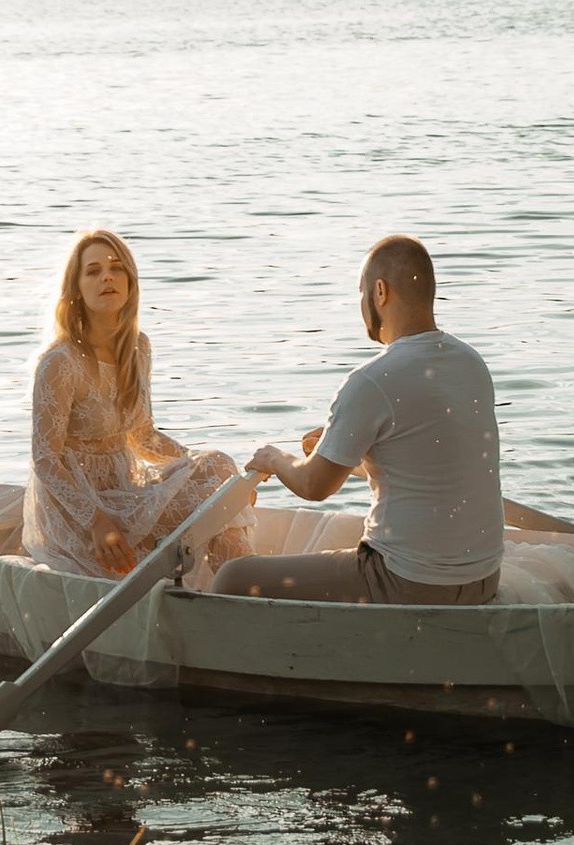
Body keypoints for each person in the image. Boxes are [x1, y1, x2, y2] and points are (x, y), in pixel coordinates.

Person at [211, 234, 501, 604]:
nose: (361, 305)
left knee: (233, 577)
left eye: (361, 292)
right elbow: (426, 457)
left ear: (380, 292)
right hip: (483, 577)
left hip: (407, 578)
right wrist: (349, 448)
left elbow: (314, 487)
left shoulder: (371, 380)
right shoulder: (471, 363)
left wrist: (273, 458)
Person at [23, 228, 253, 576]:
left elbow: (143, 437)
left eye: (116, 268)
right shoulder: (60, 362)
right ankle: (243, 588)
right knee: (217, 492)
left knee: (220, 467)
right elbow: (45, 459)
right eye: (93, 271)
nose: (107, 277)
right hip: (79, 512)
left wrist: (218, 481)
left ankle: (239, 587)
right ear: (76, 288)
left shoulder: (137, 347)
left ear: (130, 282)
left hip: (124, 492)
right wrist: (96, 521)